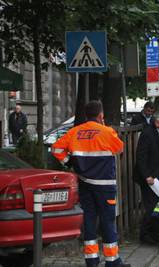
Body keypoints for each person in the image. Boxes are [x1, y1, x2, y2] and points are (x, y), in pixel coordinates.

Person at [52, 101, 130, 267]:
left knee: (89, 221)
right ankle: (112, 261)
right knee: (108, 221)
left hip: (85, 184)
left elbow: (56, 149)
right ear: (101, 115)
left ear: (86, 115)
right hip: (105, 185)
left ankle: (91, 260)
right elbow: (120, 150)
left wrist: (70, 163)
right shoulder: (107, 132)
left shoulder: (75, 132)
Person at [135, 111, 159, 244]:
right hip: (149, 177)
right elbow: (141, 157)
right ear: (157, 123)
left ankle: (154, 232)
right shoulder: (148, 134)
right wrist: (147, 176)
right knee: (151, 206)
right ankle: (144, 234)